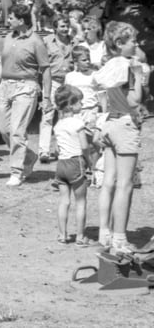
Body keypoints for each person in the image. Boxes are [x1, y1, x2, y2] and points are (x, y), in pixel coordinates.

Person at [92, 21, 145, 254]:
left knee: (109, 181)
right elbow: (134, 101)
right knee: (125, 185)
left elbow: (101, 89)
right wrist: (139, 78)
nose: (137, 44)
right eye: (133, 40)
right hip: (126, 124)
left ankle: (106, 232)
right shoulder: (129, 67)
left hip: (111, 121)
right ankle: (120, 239)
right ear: (120, 43)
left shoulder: (111, 65)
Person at [0, 3, 51, 187]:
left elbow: (45, 70)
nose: (8, 20)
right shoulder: (8, 37)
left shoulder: (36, 41)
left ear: (21, 20)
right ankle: (29, 157)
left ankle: (16, 171)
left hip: (26, 87)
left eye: (11, 18)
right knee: (4, 130)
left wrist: (46, 97)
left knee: (17, 131)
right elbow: (2, 64)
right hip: (5, 86)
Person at [51, 84, 94, 246]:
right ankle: (81, 236)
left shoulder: (58, 125)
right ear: (70, 105)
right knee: (81, 201)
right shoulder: (78, 123)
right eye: (79, 103)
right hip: (76, 163)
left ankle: (62, 234)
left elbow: (56, 149)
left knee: (64, 201)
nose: (82, 105)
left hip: (61, 165)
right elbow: (84, 146)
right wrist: (89, 161)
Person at [39, 16, 76, 163]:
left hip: (68, 82)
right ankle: (44, 151)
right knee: (47, 115)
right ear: (55, 28)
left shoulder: (73, 41)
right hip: (52, 81)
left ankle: (61, 149)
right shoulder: (47, 42)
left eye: (67, 26)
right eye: (62, 26)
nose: (65, 29)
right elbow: (41, 62)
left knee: (65, 116)